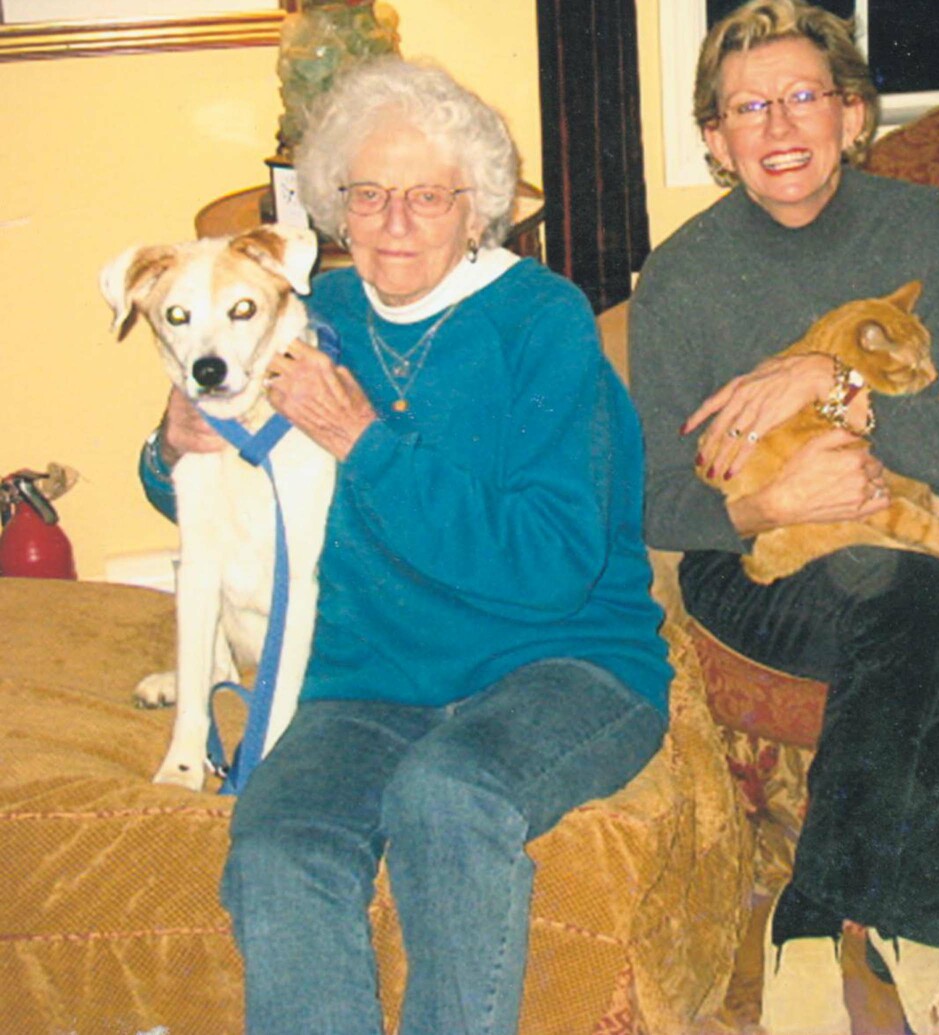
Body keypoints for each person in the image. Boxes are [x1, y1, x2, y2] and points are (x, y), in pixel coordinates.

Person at [137, 57, 672, 1035]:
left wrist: (365, 444)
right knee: (278, 842)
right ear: (334, 208)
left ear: (478, 210)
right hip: (370, 676)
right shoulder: (311, 316)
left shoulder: (540, 324)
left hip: (564, 664)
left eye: (427, 196)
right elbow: (217, 487)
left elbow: (552, 562)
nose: (393, 222)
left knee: (448, 795)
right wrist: (168, 442)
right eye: (369, 194)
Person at [627, 2, 939, 1032]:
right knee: (903, 593)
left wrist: (841, 388)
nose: (780, 127)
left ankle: (916, 904)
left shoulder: (931, 231)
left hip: (922, 513)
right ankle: (810, 918)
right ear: (717, 142)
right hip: (758, 556)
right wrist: (769, 498)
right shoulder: (681, 279)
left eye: (805, 98)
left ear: (855, 117)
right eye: (749, 108)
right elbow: (652, 497)